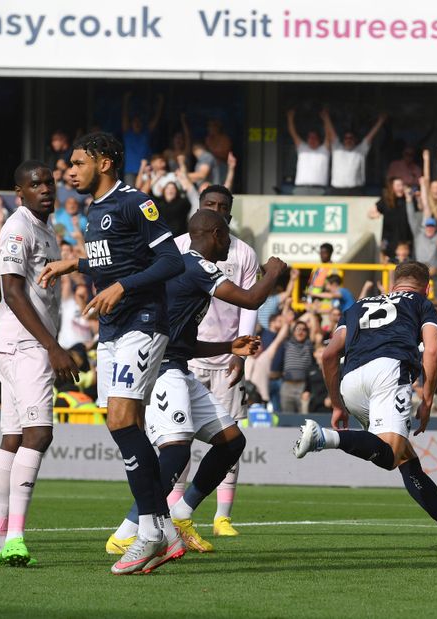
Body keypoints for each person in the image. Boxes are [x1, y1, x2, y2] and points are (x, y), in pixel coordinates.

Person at [39, 131, 186, 575]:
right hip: (112, 327)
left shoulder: (135, 201)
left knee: (122, 419)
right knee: (123, 422)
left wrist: (123, 287)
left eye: (78, 162)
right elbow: (114, 261)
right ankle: (162, 527)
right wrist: (76, 263)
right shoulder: (94, 209)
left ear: (104, 163)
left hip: (143, 321)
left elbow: (170, 263)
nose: (69, 171)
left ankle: (148, 533)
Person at [106, 209, 284, 556]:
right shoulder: (196, 264)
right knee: (176, 450)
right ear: (216, 234)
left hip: (177, 365)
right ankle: (128, 531)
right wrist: (274, 271)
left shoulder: (180, 267)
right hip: (160, 368)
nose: (230, 245)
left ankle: (182, 513)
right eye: (227, 237)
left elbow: (181, 340)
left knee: (231, 441)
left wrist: (227, 346)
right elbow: (251, 299)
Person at [293, 261, 437, 553]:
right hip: (388, 371)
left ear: (393, 285)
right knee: (391, 454)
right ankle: (324, 437)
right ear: (427, 287)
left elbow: (329, 354)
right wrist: (429, 399)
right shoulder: (421, 303)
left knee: (405, 457)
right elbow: (432, 350)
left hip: (352, 379)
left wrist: (337, 404)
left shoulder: (356, 306)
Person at [0, 160, 79, 567]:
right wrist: (53, 347)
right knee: (39, 435)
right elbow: (12, 291)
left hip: (17, 343)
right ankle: (17, 538)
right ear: (18, 192)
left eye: (50, 182)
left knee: (13, 439)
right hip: (26, 344)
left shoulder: (46, 229)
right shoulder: (18, 227)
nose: (45, 189)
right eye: (35, 184)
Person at [168, 185, 261, 537]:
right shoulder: (179, 248)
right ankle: (172, 513)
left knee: (231, 436)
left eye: (223, 205)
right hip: (184, 356)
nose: (217, 209)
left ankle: (222, 516)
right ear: (199, 209)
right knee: (180, 440)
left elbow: (248, 307)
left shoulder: (242, 253)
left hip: (224, 355)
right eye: (211, 204)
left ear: (230, 214)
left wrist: (242, 355)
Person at [322, 109, 387, 195]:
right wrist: (326, 118)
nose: (348, 140)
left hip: (355, 190)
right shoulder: (337, 148)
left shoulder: (360, 150)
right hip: (336, 190)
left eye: (351, 138)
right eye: (346, 138)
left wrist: (380, 121)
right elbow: (332, 132)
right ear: (343, 140)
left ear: (355, 140)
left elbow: (370, 136)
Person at [121, 92, 164, 186]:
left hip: (145, 170)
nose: (137, 124)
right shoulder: (128, 134)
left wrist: (161, 103)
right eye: (134, 122)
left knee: (144, 196)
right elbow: (125, 116)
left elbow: (156, 119)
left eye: (139, 122)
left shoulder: (146, 133)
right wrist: (126, 101)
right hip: (130, 172)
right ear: (131, 124)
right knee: (130, 197)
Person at [286, 108, 330, 194]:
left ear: (319, 139)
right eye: (310, 137)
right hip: (301, 189)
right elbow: (293, 132)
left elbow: (329, 135)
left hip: (320, 190)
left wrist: (326, 119)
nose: (312, 140)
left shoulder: (324, 150)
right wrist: (290, 118)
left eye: (314, 137)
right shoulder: (302, 148)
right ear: (307, 139)